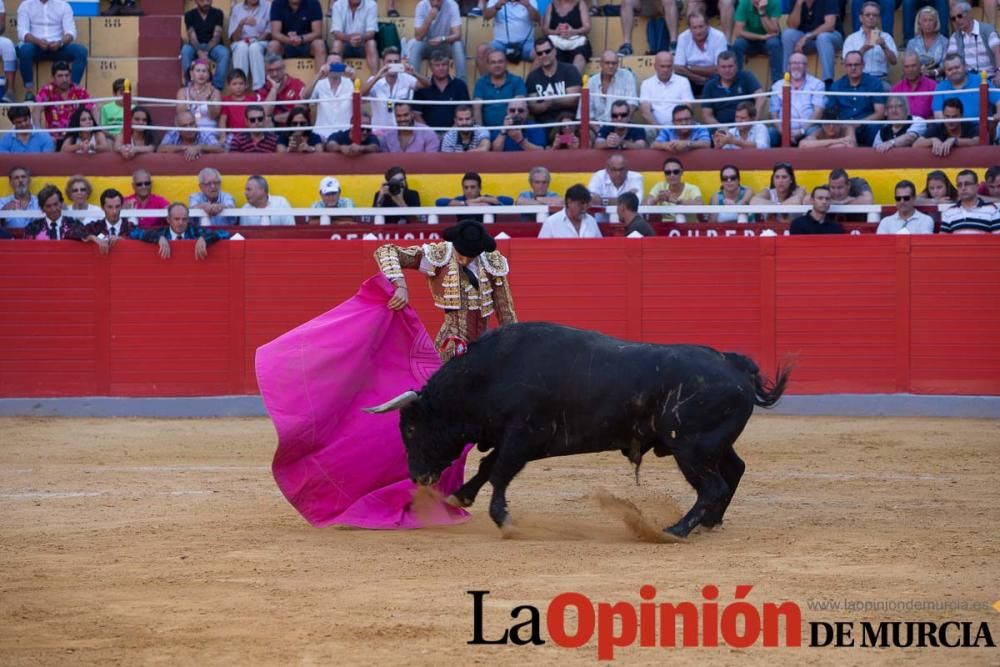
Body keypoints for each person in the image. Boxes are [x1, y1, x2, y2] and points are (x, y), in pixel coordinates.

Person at [376, 218, 517, 360]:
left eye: (471, 256)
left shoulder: (492, 262)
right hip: (450, 344)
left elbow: (504, 308)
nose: (465, 260)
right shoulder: (440, 255)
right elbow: (386, 251)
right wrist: (400, 285)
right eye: (461, 254)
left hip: (484, 345)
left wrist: (515, 341)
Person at [16, 0, 89, 100]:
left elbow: (71, 32)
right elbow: (22, 32)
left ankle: (72, 91)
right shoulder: (25, 5)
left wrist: (60, 43)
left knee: (81, 51)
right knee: (24, 51)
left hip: (58, 47)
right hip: (36, 47)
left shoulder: (63, 5)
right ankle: (29, 92)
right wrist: (38, 41)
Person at [826, 49, 885, 147]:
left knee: (875, 127)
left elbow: (880, 113)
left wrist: (858, 123)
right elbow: (831, 113)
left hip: (866, 125)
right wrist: (844, 126)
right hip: (843, 128)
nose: (853, 68)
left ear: (863, 65)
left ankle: (875, 160)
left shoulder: (874, 83)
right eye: (849, 65)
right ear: (844, 66)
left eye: (856, 64)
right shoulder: (836, 86)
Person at [362, 48, 425, 133]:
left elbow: (426, 85)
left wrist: (414, 73)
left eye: (396, 62)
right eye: (389, 62)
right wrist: (377, 77)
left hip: (400, 132)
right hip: (379, 131)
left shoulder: (406, 78)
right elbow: (360, 94)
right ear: (383, 63)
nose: (393, 64)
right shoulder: (374, 80)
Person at [780, 0, 843, 86]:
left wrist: (807, 37)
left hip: (831, 38)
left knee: (823, 37)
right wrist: (798, 4)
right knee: (787, 34)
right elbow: (792, 25)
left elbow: (830, 25)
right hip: (807, 41)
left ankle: (828, 82)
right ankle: (787, 79)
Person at [138, 202, 231, 259]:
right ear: (168, 220)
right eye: (177, 219)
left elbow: (225, 233)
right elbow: (134, 233)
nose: (181, 222)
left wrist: (204, 239)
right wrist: (158, 238)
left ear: (188, 219)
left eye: (184, 219)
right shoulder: (161, 233)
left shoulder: (195, 231)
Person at [769, 52, 823, 146]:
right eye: (793, 63)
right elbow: (773, 113)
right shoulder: (777, 86)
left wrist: (801, 131)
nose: (796, 66)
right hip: (782, 130)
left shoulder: (817, 84)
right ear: (788, 67)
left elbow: (818, 111)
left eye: (800, 63)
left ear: (806, 67)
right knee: (769, 133)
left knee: (815, 132)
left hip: (807, 128)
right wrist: (782, 130)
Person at [525, 37, 582, 126]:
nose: (544, 55)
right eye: (540, 53)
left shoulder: (570, 70)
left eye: (547, 51)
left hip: (567, 123)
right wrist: (547, 104)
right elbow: (532, 107)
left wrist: (552, 100)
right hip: (542, 125)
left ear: (554, 51)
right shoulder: (533, 77)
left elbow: (573, 100)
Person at [33, 60, 92, 145]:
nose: (64, 79)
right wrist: (39, 133)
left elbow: (93, 106)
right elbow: (36, 110)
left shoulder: (78, 90)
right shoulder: (47, 90)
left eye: (67, 75)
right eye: (60, 76)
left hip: (75, 137)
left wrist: (95, 130)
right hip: (54, 138)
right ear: (53, 78)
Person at [701, 50, 764, 127]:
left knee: (771, 133)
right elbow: (707, 116)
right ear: (717, 68)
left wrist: (753, 122)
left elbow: (761, 97)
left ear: (736, 66)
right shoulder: (710, 85)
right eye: (723, 67)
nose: (727, 70)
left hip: (747, 126)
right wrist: (722, 128)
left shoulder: (747, 77)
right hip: (720, 130)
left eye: (730, 66)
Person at [932, 53, 1000, 124]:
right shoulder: (941, 87)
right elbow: (938, 114)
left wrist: (998, 115)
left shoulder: (980, 80)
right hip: (952, 130)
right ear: (945, 72)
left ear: (965, 67)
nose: (954, 71)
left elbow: (999, 100)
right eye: (949, 69)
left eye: (957, 67)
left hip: (981, 128)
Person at [477, 0, 540, 75]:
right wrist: (496, 7)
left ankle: (529, 84)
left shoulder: (530, 1)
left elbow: (537, 19)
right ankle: (487, 85)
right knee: (482, 50)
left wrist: (528, 6)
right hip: (501, 44)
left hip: (526, 44)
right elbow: (486, 16)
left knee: (541, 53)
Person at [412, 50, 470, 129]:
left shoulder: (460, 85)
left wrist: (449, 135)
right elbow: (416, 114)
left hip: (455, 133)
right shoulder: (422, 86)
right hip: (428, 134)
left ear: (449, 65)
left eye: (444, 64)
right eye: (437, 65)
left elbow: (466, 113)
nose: (441, 68)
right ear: (430, 67)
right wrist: (430, 134)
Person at [409, 0, 465, 81]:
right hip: (428, 44)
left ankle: (462, 85)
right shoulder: (421, 6)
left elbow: (458, 34)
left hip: (446, 44)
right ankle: (412, 84)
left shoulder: (452, 5)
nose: (435, 2)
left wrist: (443, 39)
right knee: (416, 45)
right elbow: (418, 36)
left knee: (458, 45)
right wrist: (429, 19)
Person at [674, 12, 728, 95]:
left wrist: (691, 68)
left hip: (712, 79)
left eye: (701, 26)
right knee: (678, 78)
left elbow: (719, 68)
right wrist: (698, 78)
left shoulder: (719, 37)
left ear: (708, 26)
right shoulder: (683, 37)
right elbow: (678, 68)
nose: (698, 31)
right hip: (691, 79)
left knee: (721, 76)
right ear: (690, 29)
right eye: (694, 28)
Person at [946, 2, 1000, 86]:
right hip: (965, 81)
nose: (957, 20)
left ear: (970, 14)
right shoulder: (955, 37)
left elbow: (998, 51)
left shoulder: (987, 30)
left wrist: (998, 72)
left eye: (959, 16)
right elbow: (950, 59)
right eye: (953, 18)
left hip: (988, 78)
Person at [472, 48, 527, 129]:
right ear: (488, 65)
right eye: (493, 62)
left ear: (506, 63)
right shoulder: (481, 83)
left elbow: (520, 107)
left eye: (500, 61)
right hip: (487, 132)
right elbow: (477, 108)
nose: (497, 65)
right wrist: (481, 132)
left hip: (511, 130)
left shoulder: (517, 81)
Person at [842, 1, 897, 80]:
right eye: (867, 15)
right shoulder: (851, 38)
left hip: (880, 78)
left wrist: (884, 47)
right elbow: (845, 63)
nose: (871, 17)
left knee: (886, 88)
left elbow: (894, 61)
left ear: (878, 18)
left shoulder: (886, 37)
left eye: (874, 15)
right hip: (858, 79)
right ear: (861, 18)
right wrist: (863, 49)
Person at [304, 58, 354, 143]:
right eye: (331, 64)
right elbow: (305, 96)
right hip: (321, 134)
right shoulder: (319, 84)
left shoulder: (350, 83)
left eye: (337, 64)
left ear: (343, 66)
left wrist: (354, 76)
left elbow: (364, 96)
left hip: (345, 134)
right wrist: (320, 74)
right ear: (325, 66)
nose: (334, 67)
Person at [732, 0, 782, 85]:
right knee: (738, 44)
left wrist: (762, 12)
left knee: (774, 43)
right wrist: (761, 37)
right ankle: (737, 83)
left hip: (767, 41)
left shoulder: (774, 2)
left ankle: (776, 83)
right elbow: (738, 32)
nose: (756, 1)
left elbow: (773, 31)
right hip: (749, 41)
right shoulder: (744, 3)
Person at [182, 0, 228, 90]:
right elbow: (192, 37)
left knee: (224, 52)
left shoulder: (218, 13)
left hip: (213, 47)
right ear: (196, 1)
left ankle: (216, 87)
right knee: (185, 50)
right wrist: (199, 52)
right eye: (202, 1)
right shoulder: (189, 15)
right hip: (195, 46)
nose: (206, 3)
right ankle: (189, 84)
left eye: (209, 0)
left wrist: (206, 51)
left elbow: (217, 36)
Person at [268, 0, 326, 72]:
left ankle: (321, 81)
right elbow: (275, 33)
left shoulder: (314, 3)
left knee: (319, 44)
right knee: (273, 45)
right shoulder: (277, 3)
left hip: (307, 44)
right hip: (285, 44)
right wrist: (289, 40)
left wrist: (301, 39)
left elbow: (317, 33)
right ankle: (271, 81)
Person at [639, 51, 694, 127]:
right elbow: (645, 112)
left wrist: (676, 128)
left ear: (673, 66)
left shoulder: (683, 81)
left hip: (679, 127)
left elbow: (688, 107)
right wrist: (659, 129)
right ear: (655, 66)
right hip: (655, 127)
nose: (666, 70)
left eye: (669, 66)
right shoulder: (646, 84)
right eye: (662, 66)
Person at [584, 51, 637, 127]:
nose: (611, 66)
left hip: (621, 124)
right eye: (607, 63)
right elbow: (586, 112)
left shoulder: (627, 76)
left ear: (618, 64)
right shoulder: (591, 82)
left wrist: (620, 126)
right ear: (601, 64)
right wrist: (599, 132)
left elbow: (632, 104)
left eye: (614, 63)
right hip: (596, 126)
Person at [78, 188, 138, 254]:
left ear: (121, 206)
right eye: (110, 207)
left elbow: (143, 236)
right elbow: (72, 232)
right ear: (102, 208)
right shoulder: (96, 226)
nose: (114, 211)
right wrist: (93, 238)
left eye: (117, 206)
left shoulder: (129, 227)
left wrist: (122, 240)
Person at [913, 97, 979, 157]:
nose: (950, 121)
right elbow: (915, 145)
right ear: (943, 115)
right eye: (947, 116)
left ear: (961, 116)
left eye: (954, 117)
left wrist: (955, 141)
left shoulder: (969, 126)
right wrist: (932, 140)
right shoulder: (937, 127)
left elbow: (978, 141)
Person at [229, 0, 272, 91]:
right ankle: (239, 87)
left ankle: (259, 89)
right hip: (241, 41)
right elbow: (234, 38)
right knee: (241, 47)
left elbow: (269, 32)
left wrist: (256, 40)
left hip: (261, 41)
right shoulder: (237, 9)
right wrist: (241, 23)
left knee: (254, 47)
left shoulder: (267, 6)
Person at [328, 0, 378, 77]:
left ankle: (375, 78)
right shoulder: (338, 5)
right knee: (337, 44)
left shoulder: (371, 4)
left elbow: (371, 32)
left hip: (363, 43)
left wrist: (361, 37)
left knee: (371, 43)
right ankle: (334, 77)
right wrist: (349, 38)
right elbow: (336, 32)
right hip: (345, 43)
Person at [645, 157, 703, 223]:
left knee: (679, 215)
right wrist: (657, 199)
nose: (672, 175)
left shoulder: (692, 188)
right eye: (668, 172)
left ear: (681, 172)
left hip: (688, 227)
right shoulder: (660, 186)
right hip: (666, 227)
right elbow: (646, 203)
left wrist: (678, 201)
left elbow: (699, 203)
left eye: (676, 172)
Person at [542, 0, 591, 74]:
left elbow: (587, 27)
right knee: (549, 53)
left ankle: (572, 82)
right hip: (556, 44)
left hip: (577, 44)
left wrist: (573, 31)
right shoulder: (551, 5)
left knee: (579, 56)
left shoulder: (580, 3)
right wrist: (557, 32)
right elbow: (545, 29)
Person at [22, 184, 87, 240]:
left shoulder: (75, 226)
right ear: (42, 209)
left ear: (61, 203)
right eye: (48, 206)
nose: (53, 209)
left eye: (56, 204)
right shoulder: (32, 229)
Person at [257, 54, 305, 127]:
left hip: (292, 128)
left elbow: (299, 114)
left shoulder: (297, 85)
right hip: (271, 132)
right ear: (266, 72)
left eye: (278, 69)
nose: (275, 74)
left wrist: (274, 119)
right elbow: (264, 114)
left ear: (284, 68)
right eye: (270, 70)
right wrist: (274, 89)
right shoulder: (262, 90)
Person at [437, 172, 514, 216]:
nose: (469, 190)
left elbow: (509, 201)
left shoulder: (487, 199)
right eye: (466, 187)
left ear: (479, 188)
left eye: (472, 187)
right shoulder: (460, 200)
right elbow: (439, 202)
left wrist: (481, 199)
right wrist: (466, 203)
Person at [158, 110, 224, 160]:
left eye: (191, 124)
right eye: (184, 126)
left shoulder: (204, 133)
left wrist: (199, 147)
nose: (189, 128)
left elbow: (220, 148)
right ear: (177, 128)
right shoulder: (173, 133)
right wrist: (185, 148)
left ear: (196, 124)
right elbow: (161, 148)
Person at [219, 68, 260, 146]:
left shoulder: (252, 99)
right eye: (234, 84)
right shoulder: (225, 100)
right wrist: (223, 136)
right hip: (232, 135)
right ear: (228, 86)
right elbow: (223, 120)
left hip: (250, 134)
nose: (238, 87)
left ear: (246, 85)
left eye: (241, 83)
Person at [176, 59, 222, 130]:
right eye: (198, 71)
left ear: (208, 75)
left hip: (208, 129)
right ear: (191, 73)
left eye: (204, 71)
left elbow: (214, 116)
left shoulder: (215, 92)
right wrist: (191, 100)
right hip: (188, 129)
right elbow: (180, 113)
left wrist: (209, 100)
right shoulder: (183, 92)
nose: (201, 74)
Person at [891, 51, 936, 121]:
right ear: (903, 69)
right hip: (903, 126)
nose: (910, 70)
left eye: (913, 66)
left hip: (926, 127)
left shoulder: (933, 86)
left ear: (920, 66)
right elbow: (892, 115)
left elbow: (937, 115)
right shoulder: (896, 89)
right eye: (907, 67)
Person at [904, 6, 948, 78]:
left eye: (931, 20)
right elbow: (908, 64)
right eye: (925, 20)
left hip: (938, 78)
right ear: (919, 23)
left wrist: (933, 72)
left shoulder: (944, 41)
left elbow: (946, 64)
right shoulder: (912, 43)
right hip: (916, 78)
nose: (928, 24)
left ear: (936, 22)